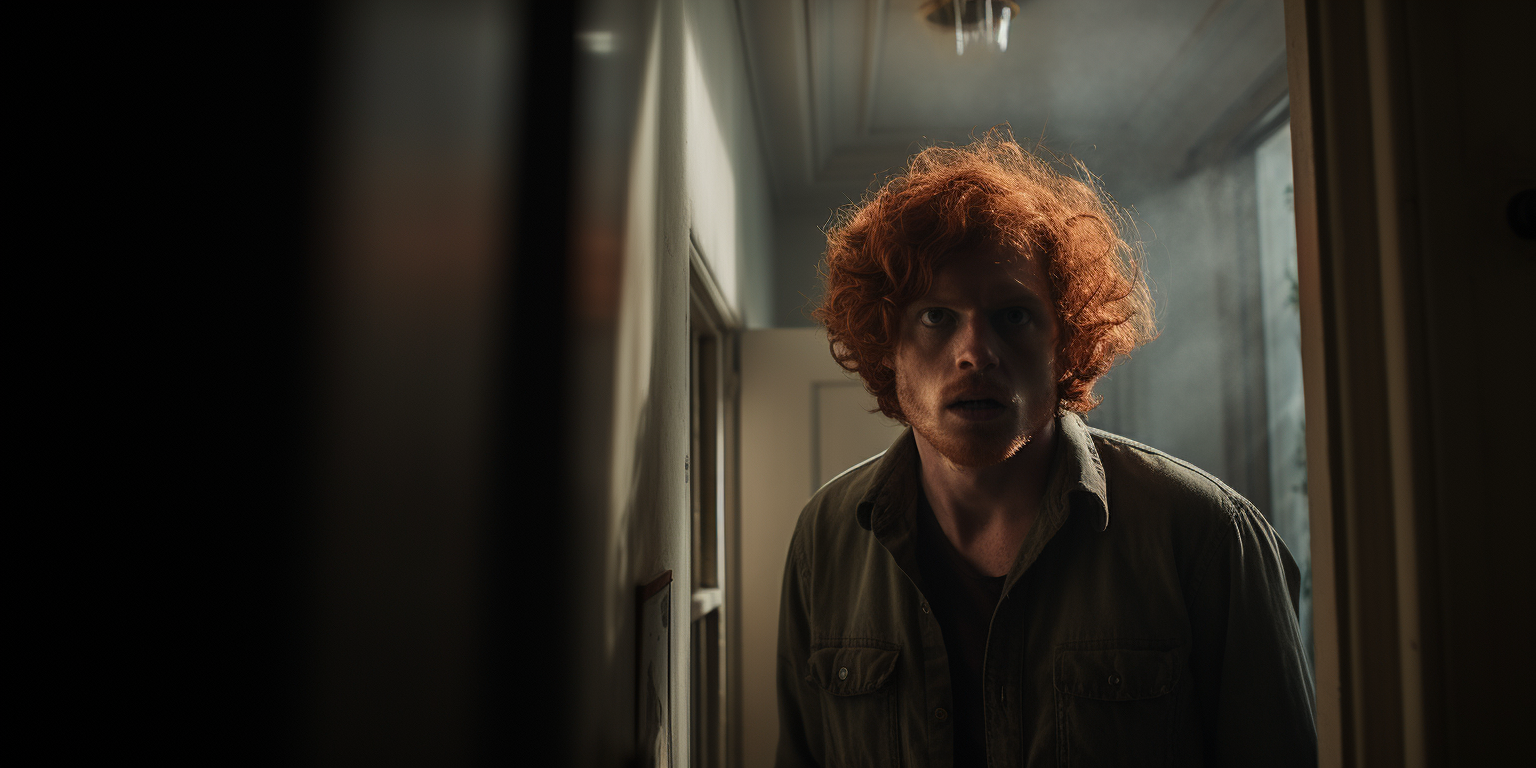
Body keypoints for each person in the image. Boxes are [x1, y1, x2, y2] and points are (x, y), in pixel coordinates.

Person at [775, 134, 1316, 767]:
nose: (977, 351)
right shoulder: (825, 539)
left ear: (1067, 342)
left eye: (1013, 315)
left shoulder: (1208, 536)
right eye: (936, 316)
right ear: (885, 345)